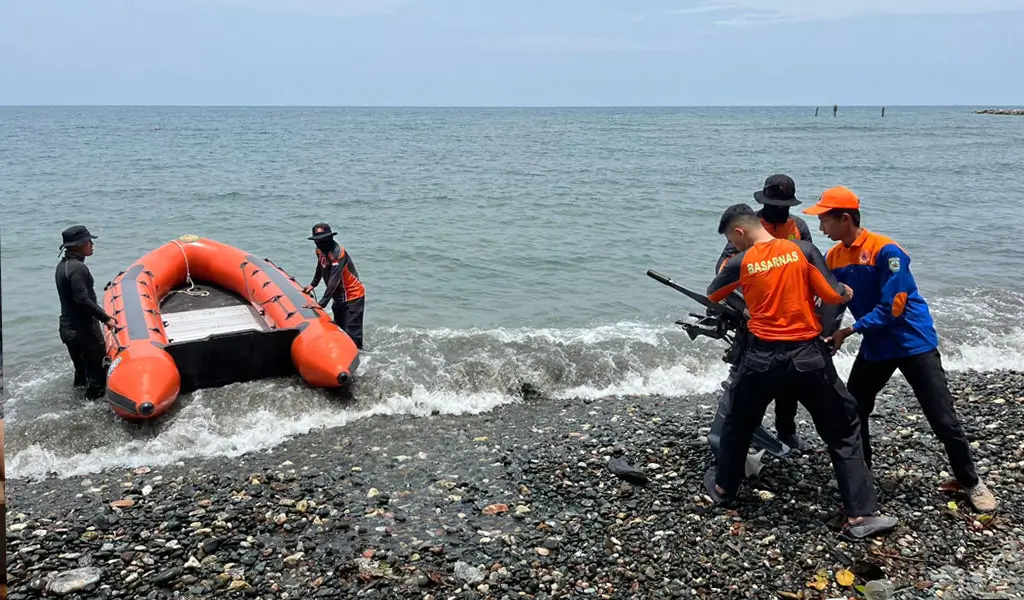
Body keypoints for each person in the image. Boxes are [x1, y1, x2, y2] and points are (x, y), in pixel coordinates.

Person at [705, 204, 897, 539]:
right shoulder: (802, 249)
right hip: (807, 357)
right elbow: (831, 294)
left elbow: (713, 295)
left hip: (761, 358)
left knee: (738, 422)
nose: (733, 246)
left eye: (732, 240)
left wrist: (751, 303)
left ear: (739, 232)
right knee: (843, 428)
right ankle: (861, 516)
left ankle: (723, 490)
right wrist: (845, 292)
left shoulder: (739, 261)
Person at [802, 186, 997, 513]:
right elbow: (833, 302)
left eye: (825, 220)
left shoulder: (886, 251)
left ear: (845, 219)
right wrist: (827, 333)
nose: (821, 228)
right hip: (877, 344)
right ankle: (862, 480)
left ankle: (971, 482)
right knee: (854, 410)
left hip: (911, 342)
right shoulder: (835, 258)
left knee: (942, 419)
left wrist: (850, 331)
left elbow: (894, 307)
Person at [715, 174, 817, 451]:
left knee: (790, 380)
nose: (778, 211)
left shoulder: (799, 228)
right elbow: (724, 270)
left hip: (793, 317)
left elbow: (812, 268)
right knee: (750, 375)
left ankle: (786, 429)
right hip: (756, 315)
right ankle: (744, 430)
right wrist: (745, 308)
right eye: (773, 205)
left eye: (783, 206)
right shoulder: (748, 229)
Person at [54, 225, 116, 400]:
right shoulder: (79, 269)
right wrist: (106, 318)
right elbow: (82, 299)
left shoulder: (62, 266)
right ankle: (93, 410)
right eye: (89, 241)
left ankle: (76, 406)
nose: (91, 244)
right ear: (79, 244)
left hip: (67, 329)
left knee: (81, 373)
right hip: (84, 331)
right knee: (97, 376)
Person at [303, 223, 366, 349]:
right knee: (340, 328)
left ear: (330, 238)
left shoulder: (338, 253)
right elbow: (321, 266)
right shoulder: (319, 251)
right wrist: (313, 284)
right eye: (318, 240)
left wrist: (321, 303)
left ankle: (361, 357)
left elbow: (335, 278)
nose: (320, 243)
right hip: (338, 296)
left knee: (353, 333)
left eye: (323, 240)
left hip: (353, 296)